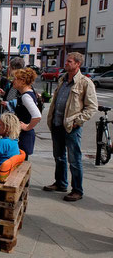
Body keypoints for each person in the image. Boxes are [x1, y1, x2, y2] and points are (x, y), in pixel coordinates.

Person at [43, 52, 98, 201]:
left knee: (74, 160)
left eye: (69, 61)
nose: (66, 63)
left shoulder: (85, 83)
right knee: (59, 157)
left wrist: (77, 121)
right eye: (66, 61)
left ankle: (77, 190)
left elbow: (92, 107)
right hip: (57, 124)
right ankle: (60, 183)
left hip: (71, 127)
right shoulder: (62, 79)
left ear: (77, 64)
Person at [13, 68, 42, 159]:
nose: (13, 81)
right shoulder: (28, 94)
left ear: (22, 81)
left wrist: (27, 127)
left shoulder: (26, 96)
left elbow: (37, 116)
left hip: (24, 136)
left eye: (15, 79)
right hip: (24, 135)